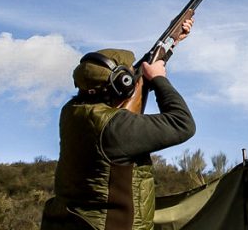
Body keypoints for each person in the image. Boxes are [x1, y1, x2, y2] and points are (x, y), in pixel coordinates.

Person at [41, 19, 196, 230]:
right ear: (121, 84)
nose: (133, 75)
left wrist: (171, 43)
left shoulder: (72, 112)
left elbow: (136, 83)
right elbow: (183, 124)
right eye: (128, 74)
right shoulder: (115, 127)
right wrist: (160, 79)